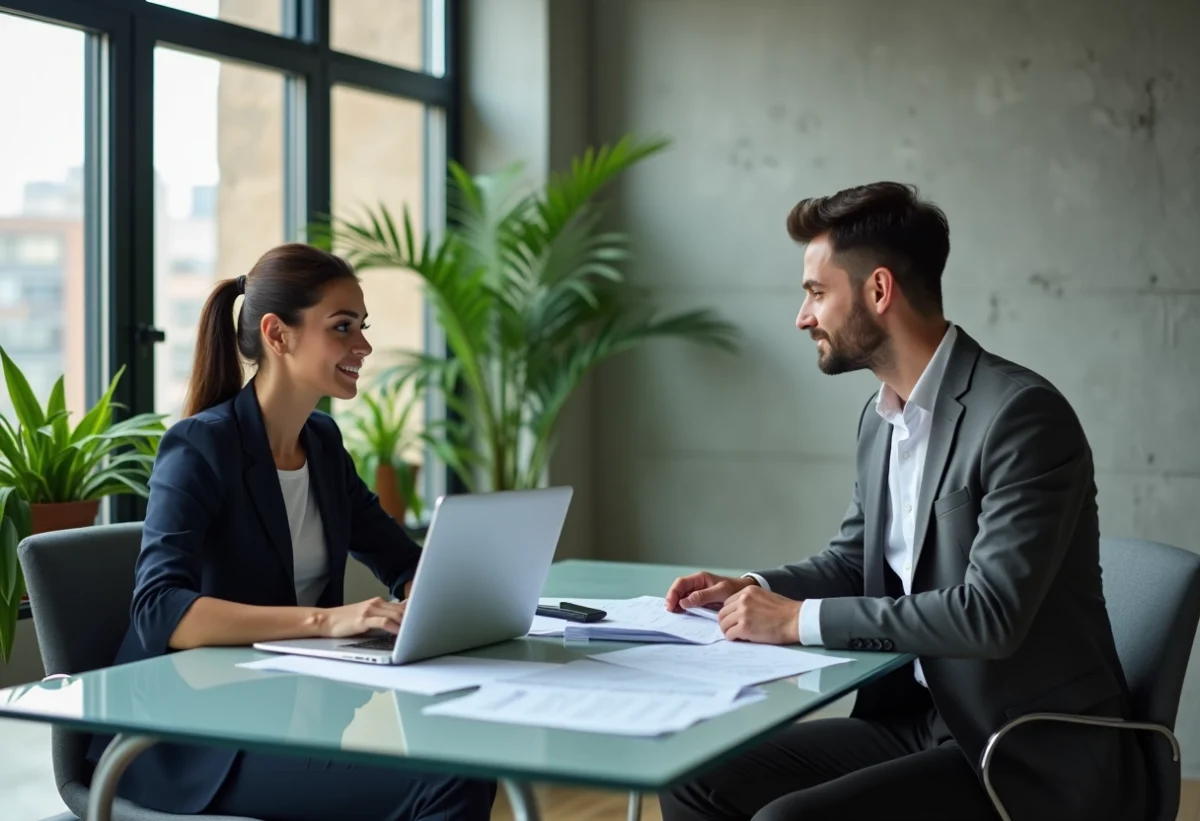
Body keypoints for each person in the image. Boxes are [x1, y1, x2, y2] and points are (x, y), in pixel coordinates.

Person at [658, 183, 1148, 821]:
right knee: (693, 779)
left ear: (879, 291)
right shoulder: (881, 416)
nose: (803, 317)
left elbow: (989, 616)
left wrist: (797, 620)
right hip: (918, 720)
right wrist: (751, 588)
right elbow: (854, 559)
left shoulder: (1022, 418)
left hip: (1021, 748)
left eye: (815, 292)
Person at [86, 243, 496, 821]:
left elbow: (401, 561)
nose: (364, 345)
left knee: (467, 761)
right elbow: (160, 609)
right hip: (189, 741)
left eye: (363, 327)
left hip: (289, 712)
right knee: (449, 780)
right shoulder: (200, 446)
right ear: (278, 335)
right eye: (343, 327)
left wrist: (474, 591)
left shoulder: (322, 444)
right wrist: (328, 622)